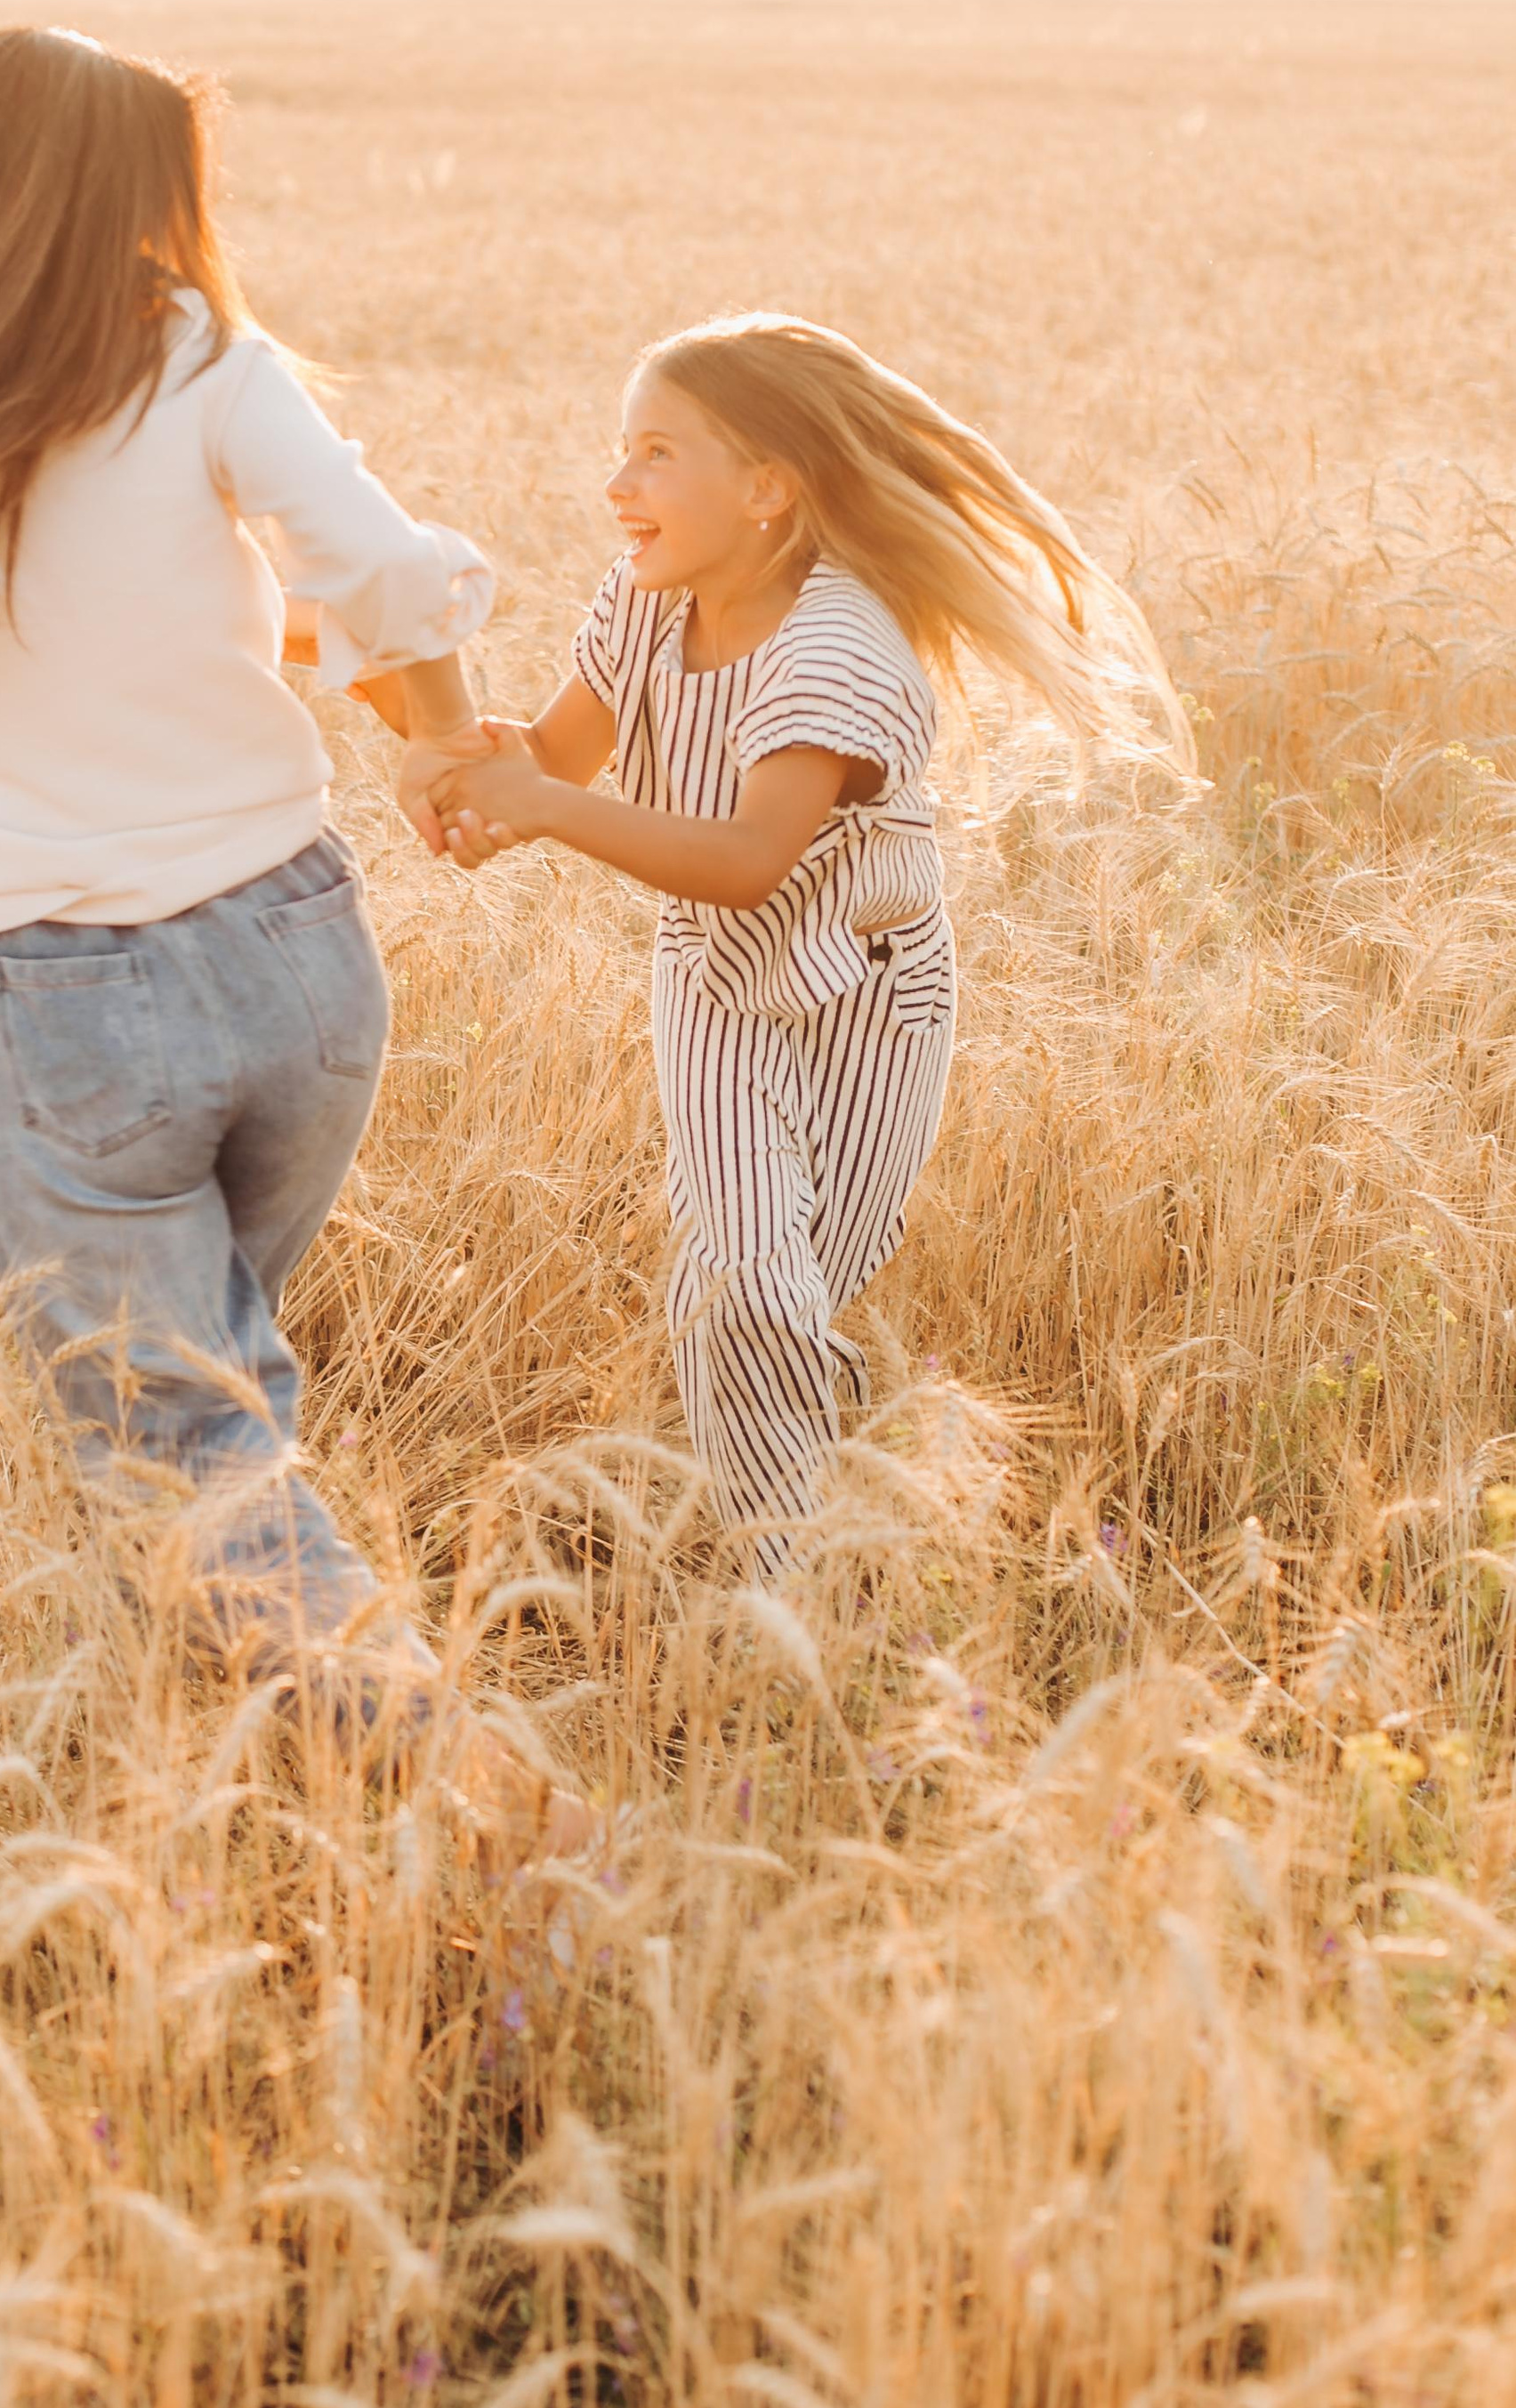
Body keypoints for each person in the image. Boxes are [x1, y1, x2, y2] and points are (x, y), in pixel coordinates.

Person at [0, 25, 496, 1718]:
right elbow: (374, 570)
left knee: (180, 1435)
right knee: (215, 1385)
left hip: (69, 991)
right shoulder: (196, 352)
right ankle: (247, 1762)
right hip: (299, 947)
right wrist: (441, 738)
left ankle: (458, 1780)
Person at [423, 312, 1185, 1572]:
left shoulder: (837, 644)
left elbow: (746, 860)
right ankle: (793, 1585)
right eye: (622, 450)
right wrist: (443, 745)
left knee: (784, 1288)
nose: (618, 485)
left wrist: (542, 808)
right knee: (741, 1283)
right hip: (719, 983)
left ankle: (834, 1525)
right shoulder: (643, 600)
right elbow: (554, 756)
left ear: (769, 489)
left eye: (658, 453)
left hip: (873, 995)